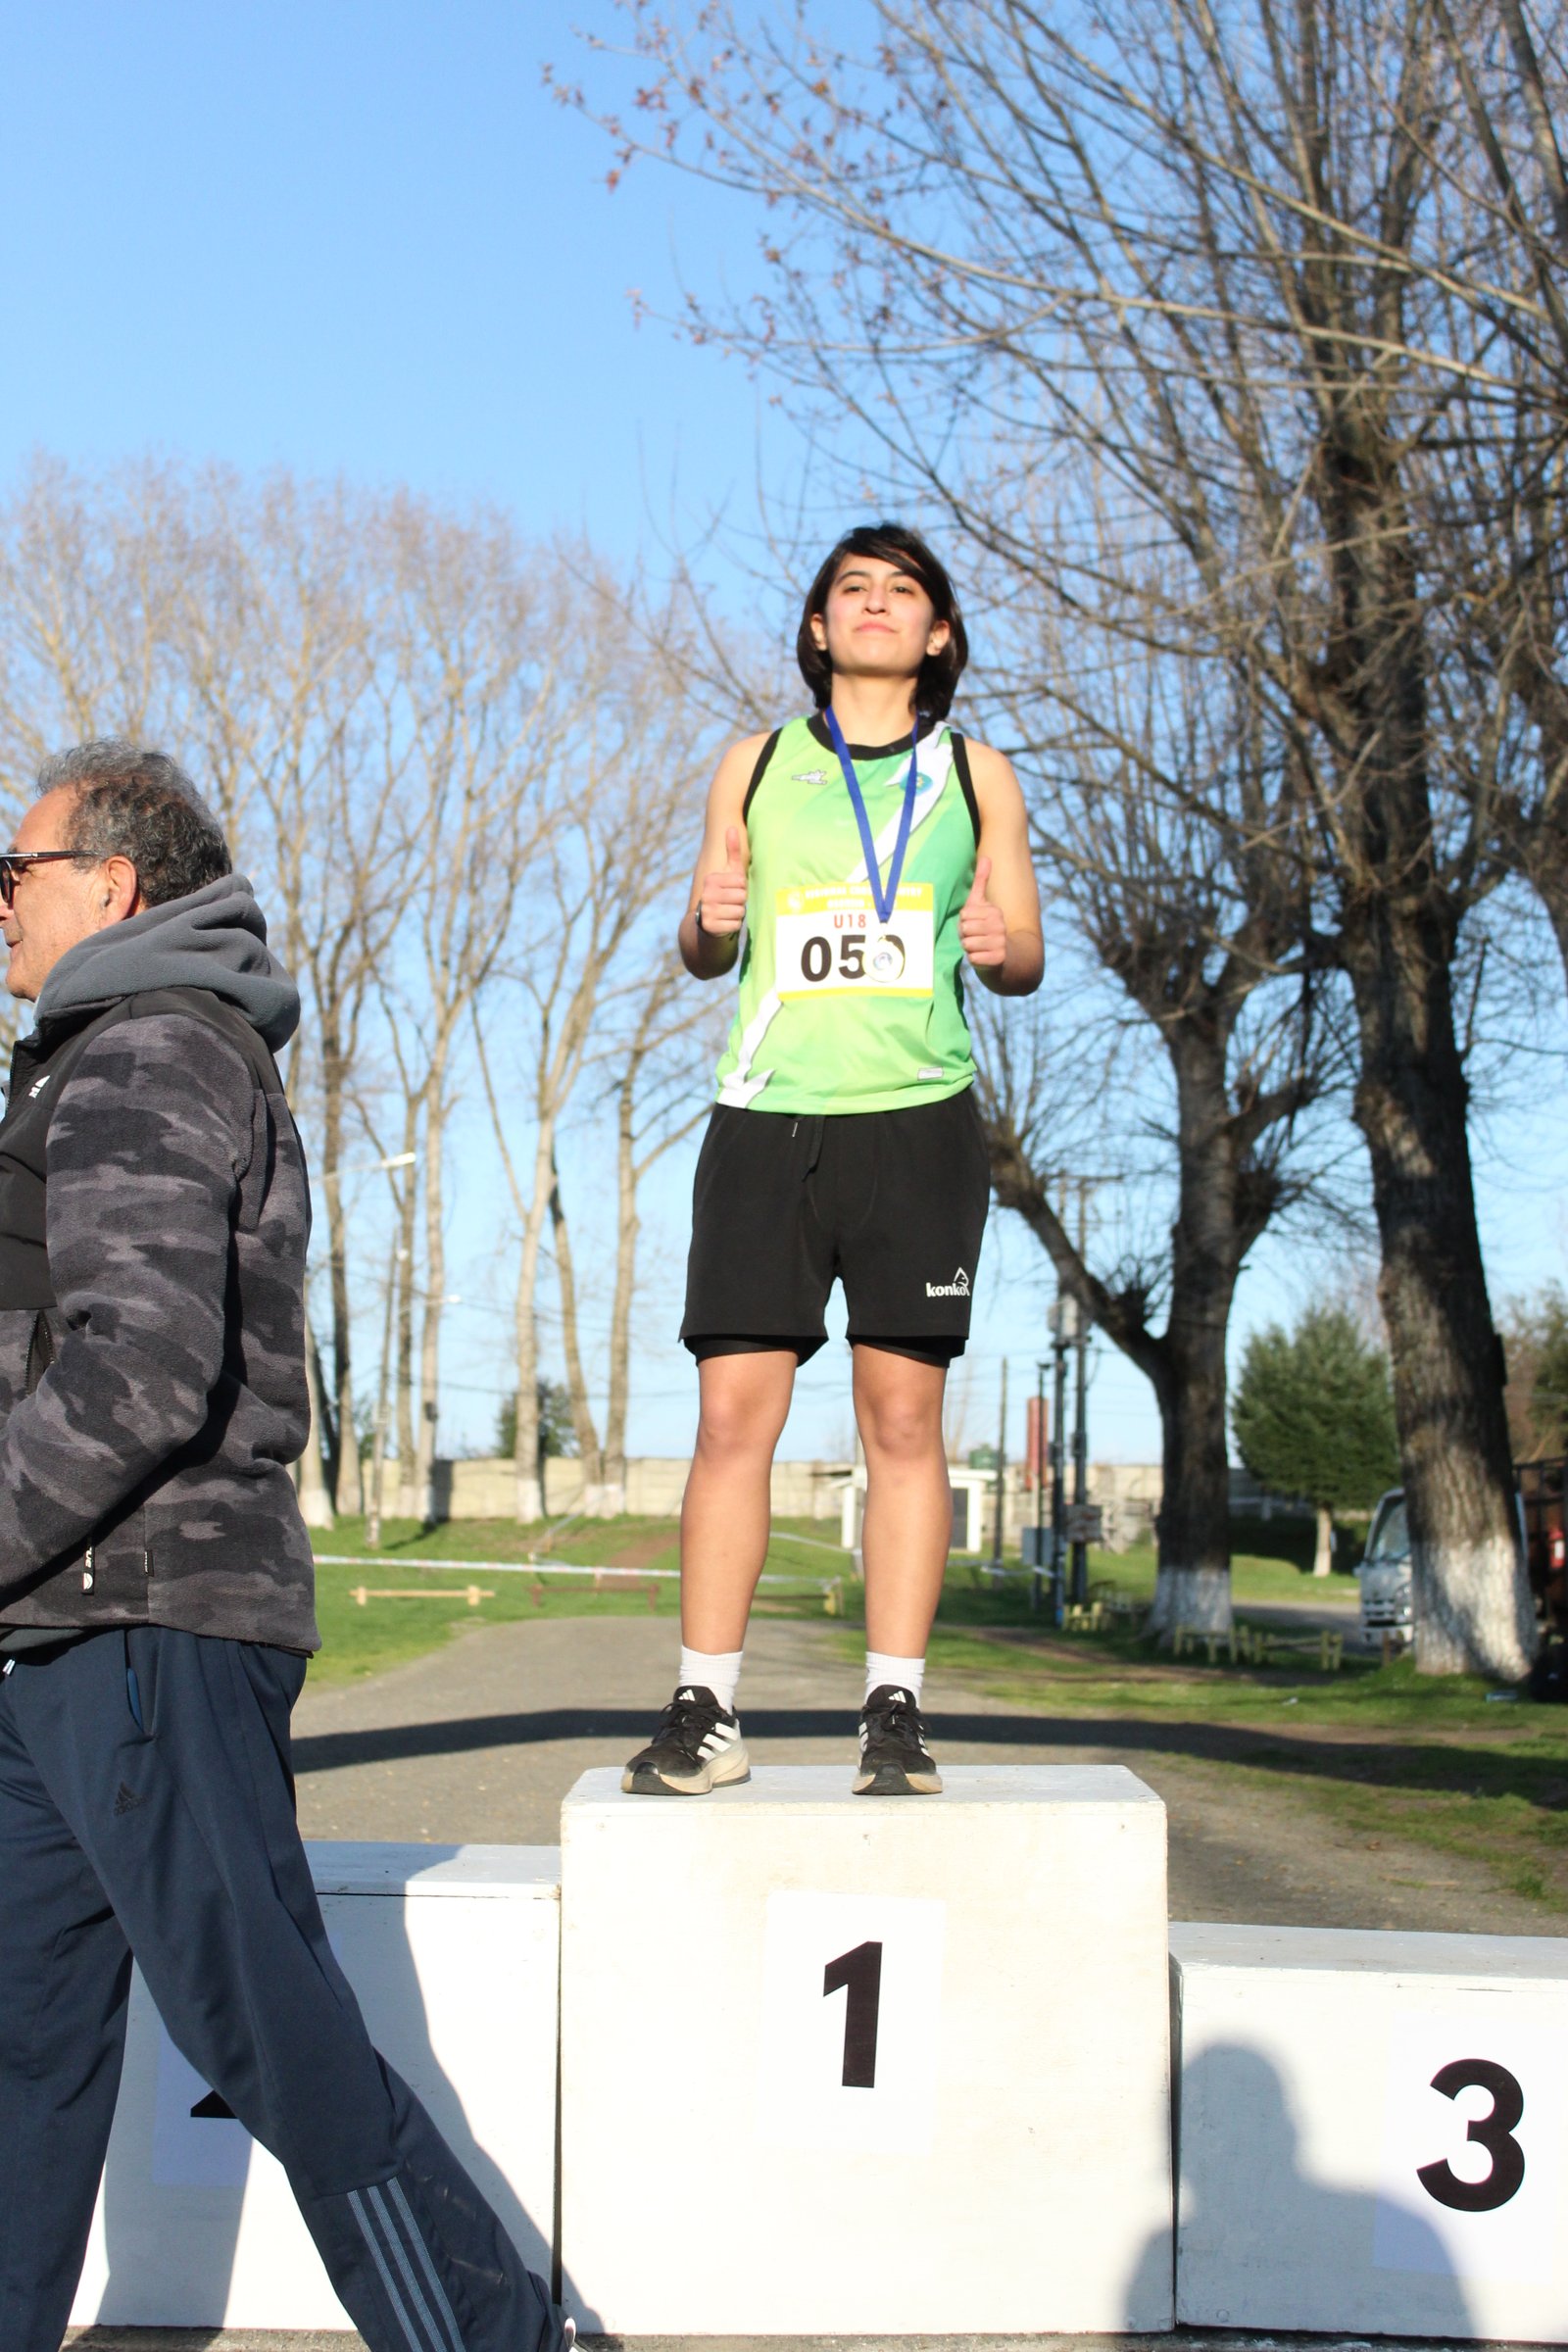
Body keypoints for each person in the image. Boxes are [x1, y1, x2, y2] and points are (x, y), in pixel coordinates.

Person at [0, 743, 568, 2352]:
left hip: (148, 1622)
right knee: (25, 2061)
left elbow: (139, 1371)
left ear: (107, 887)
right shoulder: (93, 1061)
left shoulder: (141, 1053)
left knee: (276, 2044)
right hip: (61, 1630)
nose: (0, 913)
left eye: (13, 876)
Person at [623, 524, 1043, 1799]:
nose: (873, 606)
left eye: (900, 592)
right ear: (817, 629)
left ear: (939, 636)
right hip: (767, 1121)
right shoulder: (753, 763)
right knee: (730, 1417)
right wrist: (706, 920)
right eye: (850, 590)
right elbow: (702, 938)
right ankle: (707, 1705)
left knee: (902, 1420)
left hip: (917, 1123)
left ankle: (895, 1712)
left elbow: (1023, 954)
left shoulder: (980, 774)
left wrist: (995, 942)